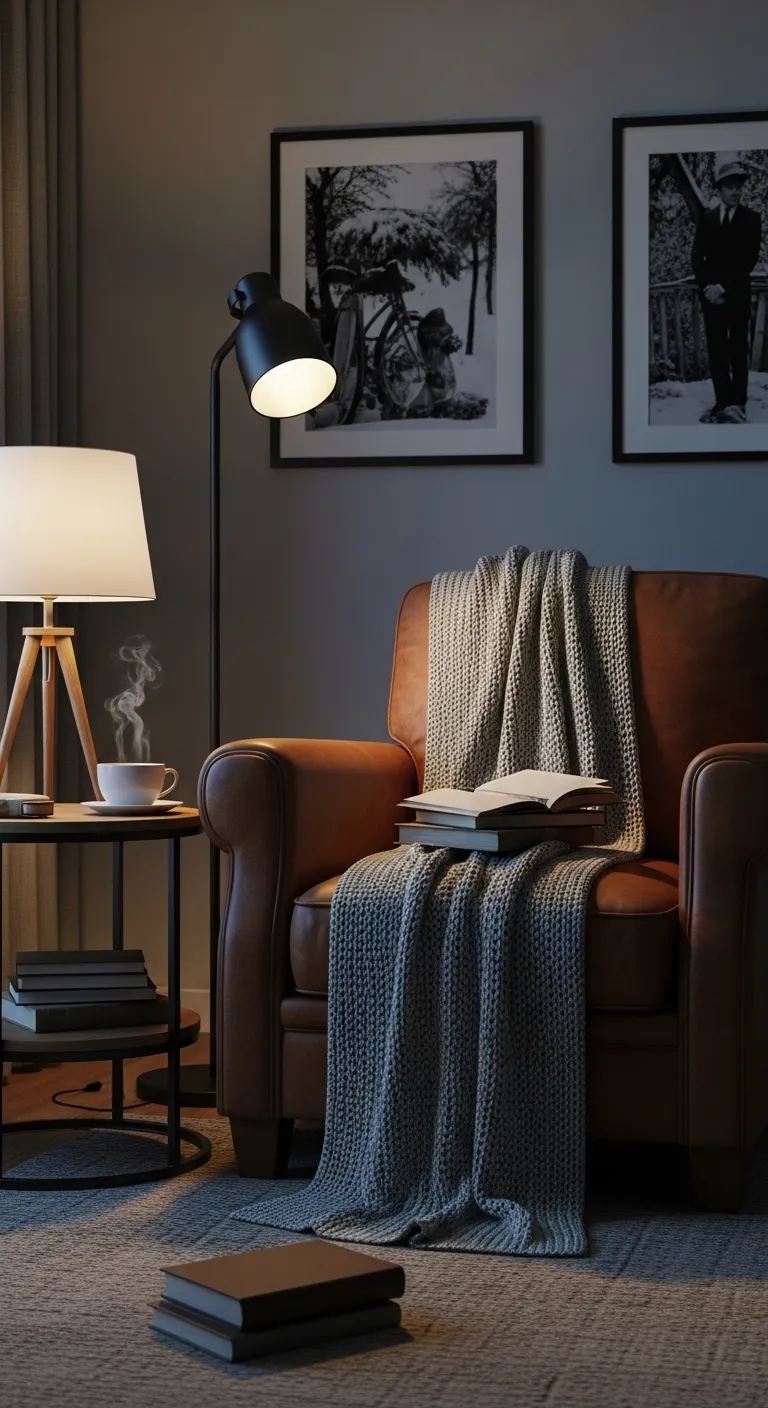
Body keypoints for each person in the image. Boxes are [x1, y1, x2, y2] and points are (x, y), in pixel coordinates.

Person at [691, 152, 762, 424]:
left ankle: (738, 403)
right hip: (712, 299)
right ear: (719, 190)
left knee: (736, 349)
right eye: (730, 186)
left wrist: (723, 287)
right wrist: (709, 288)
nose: (736, 191)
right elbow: (698, 260)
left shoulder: (752, 219)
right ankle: (722, 402)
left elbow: (748, 259)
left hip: (736, 295)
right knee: (717, 349)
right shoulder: (707, 219)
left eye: (739, 186)